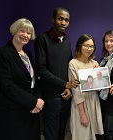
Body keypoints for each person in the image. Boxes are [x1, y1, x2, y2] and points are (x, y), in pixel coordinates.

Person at [34, 7, 80, 140]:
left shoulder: (67, 41)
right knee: (51, 135)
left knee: (62, 133)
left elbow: (69, 68)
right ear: (53, 19)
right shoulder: (42, 39)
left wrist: (69, 89)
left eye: (66, 20)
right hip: (51, 96)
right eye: (60, 19)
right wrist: (65, 84)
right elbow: (42, 70)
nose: (63, 22)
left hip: (66, 96)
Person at [0, 18, 44, 140]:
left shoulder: (27, 54)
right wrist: (33, 102)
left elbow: (34, 80)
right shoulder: (3, 53)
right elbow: (7, 85)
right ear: (14, 31)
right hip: (13, 112)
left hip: (32, 112)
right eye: (22, 31)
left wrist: (38, 99)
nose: (25, 35)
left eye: (28, 33)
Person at [68, 34, 104, 140]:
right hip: (80, 105)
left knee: (95, 135)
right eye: (86, 45)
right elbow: (76, 92)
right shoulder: (73, 63)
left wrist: (99, 73)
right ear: (80, 46)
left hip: (93, 102)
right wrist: (83, 114)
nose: (89, 49)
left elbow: (99, 87)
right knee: (82, 135)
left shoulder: (95, 63)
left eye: (91, 46)